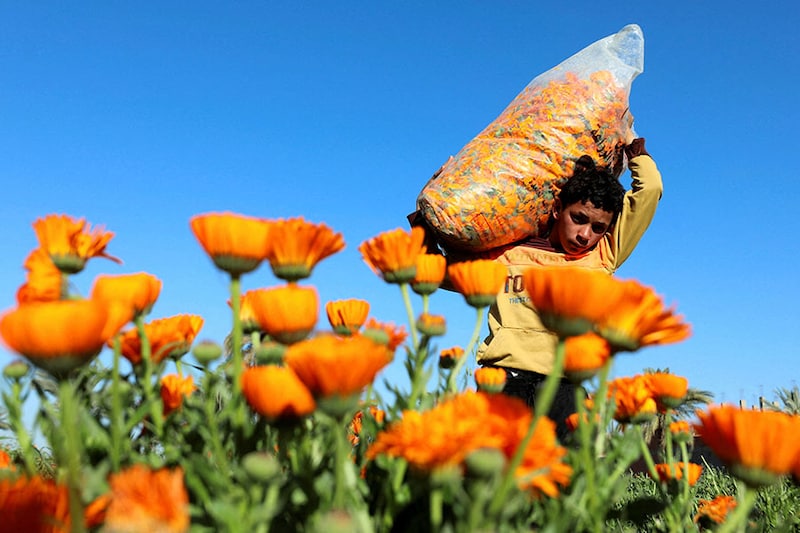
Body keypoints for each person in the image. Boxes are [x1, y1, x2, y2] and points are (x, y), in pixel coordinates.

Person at [411, 138, 662, 440]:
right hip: (502, 379)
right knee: (492, 474)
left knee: (560, 476)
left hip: (566, 386)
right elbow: (434, 272)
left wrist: (639, 155)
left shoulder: (603, 256)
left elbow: (650, 191)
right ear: (558, 209)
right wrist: (425, 217)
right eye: (578, 219)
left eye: (598, 227)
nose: (585, 235)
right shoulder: (508, 255)